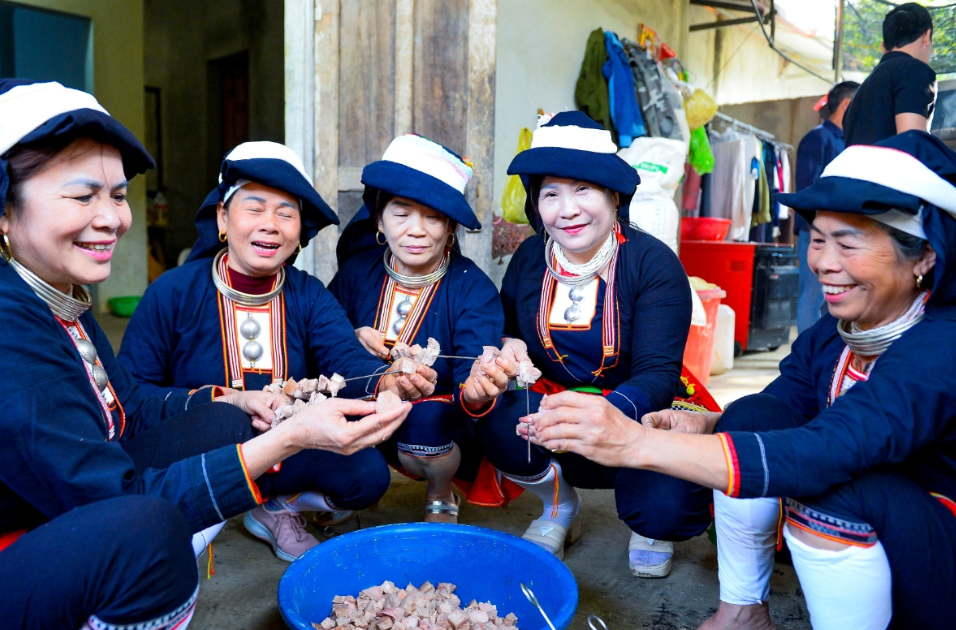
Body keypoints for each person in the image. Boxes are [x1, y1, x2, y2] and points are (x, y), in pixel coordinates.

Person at [0, 80, 411, 630]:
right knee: (148, 538)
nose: (114, 218)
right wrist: (289, 436)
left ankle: (258, 505)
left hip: (40, 505)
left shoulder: (53, 287)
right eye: (83, 196)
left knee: (232, 422)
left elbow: (125, 404)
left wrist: (246, 398)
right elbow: (112, 495)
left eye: (116, 195)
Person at [521, 132, 956, 629]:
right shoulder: (837, 333)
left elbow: (833, 445)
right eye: (819, 239)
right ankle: (741, 611)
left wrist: (632, 442)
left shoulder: (949, 346)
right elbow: (780, 408)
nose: (823, 262)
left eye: (848, 243)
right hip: (888, 522)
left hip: (950, 542)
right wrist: (711, 423)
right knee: (751, 416)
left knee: (825, 485)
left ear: (925, 256)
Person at [118, 141, 437, 562]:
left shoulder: (308, 295)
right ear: (222, 218)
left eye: (286, 213)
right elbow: (132, 396)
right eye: (254, 208)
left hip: (288, 448)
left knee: (367, 476)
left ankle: (274, 508)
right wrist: (224, 400)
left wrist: (388, 380)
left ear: (299, 230)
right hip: (202, 448)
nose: (271, 225)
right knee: (222, 423)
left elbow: (347, 358)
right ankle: (199, 503)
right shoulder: (173, 293)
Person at [476, 111, 709, 577]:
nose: (567, 209)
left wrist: (600, 413)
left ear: (614, 196)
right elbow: (505, 327)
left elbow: (659, 375)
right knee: (490, 414)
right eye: (551, 193)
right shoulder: (529, 257)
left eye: (583, 189)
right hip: (550, 410)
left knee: (666, 508)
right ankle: (558, 507)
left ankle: (647, 524)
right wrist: (508, 347)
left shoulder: (653, 264)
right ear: (536, 204)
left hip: (640, 411)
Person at [329, 134, 511, 523]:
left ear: (450, 228)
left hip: (434, 420)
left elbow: (471, 379)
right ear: (379, 218)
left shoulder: (471, 286)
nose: (416, 230)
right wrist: (353, 335)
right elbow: (321, 342)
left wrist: (479, 388)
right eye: (401, 213)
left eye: (432, 216)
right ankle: (352, 482)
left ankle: (441, 490)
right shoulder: (356, 273)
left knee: (425, 421)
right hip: (362, 403)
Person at [795, 81, 859, 332]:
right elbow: (806, 189)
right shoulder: (818, 138)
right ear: (846, 104)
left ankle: (823, 355)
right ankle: (805, 355)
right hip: (816, 232)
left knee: (832, 294)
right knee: (813, 294)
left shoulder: (848, 142)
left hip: (840, 231)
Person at [843, 2, 937, 147]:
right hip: (892, 169)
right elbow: (912, 142)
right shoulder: (914, 70)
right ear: (927, 36)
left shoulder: (861, 91)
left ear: (884, 46)